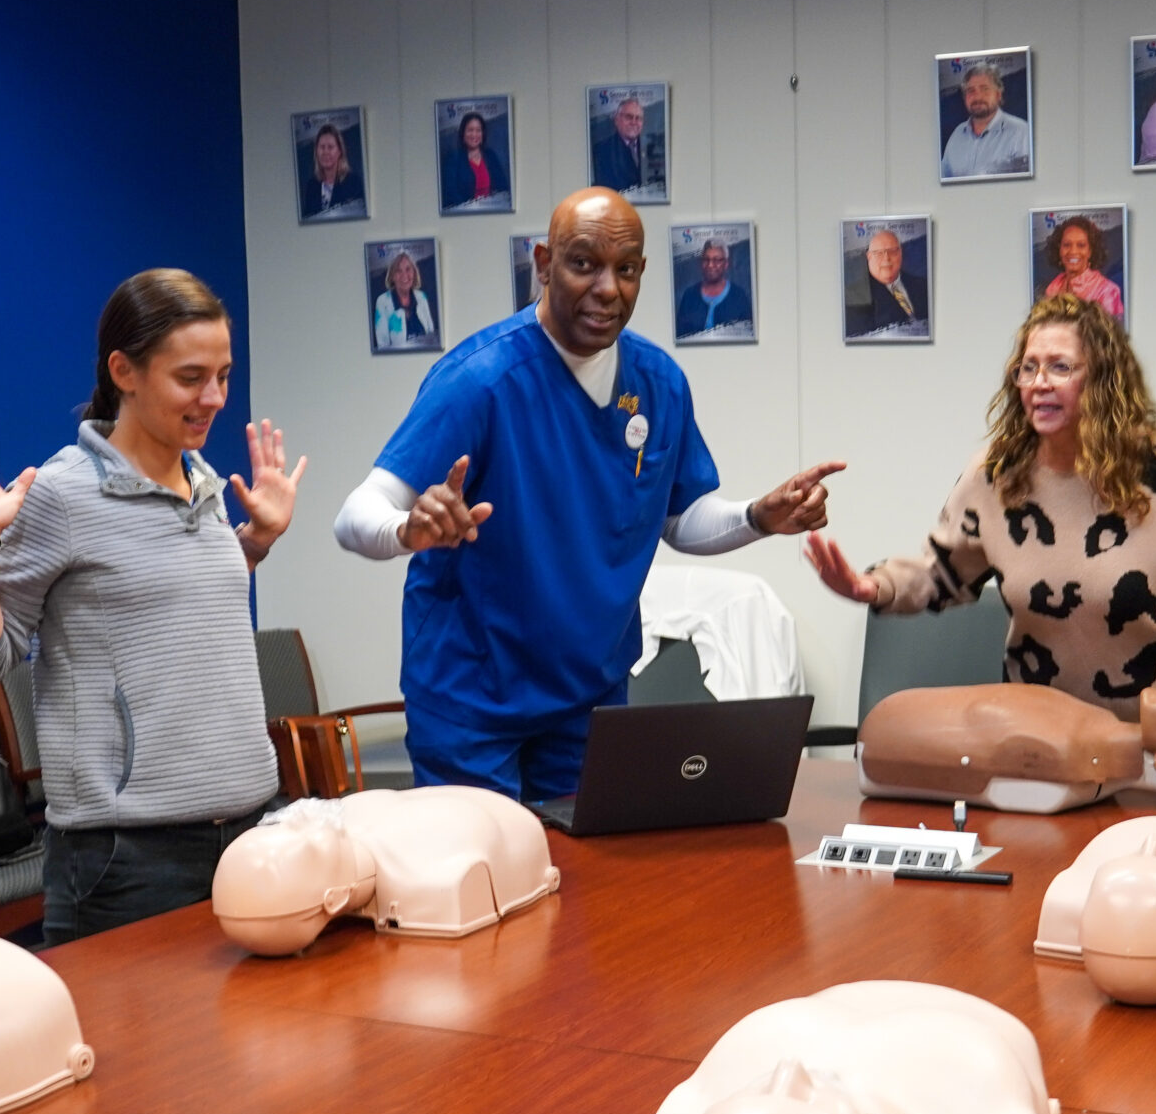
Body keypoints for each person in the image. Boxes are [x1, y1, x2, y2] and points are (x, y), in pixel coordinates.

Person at [333, 186, 842, 799]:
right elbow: (354, 514)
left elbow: (680, 518)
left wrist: (758, 515)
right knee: (484, 879)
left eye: (625, 270)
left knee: (584, 886)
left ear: (642, 274)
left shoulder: (659, 383)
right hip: (472, 698)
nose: (607, 288)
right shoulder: (481, 379)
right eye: (583, 264)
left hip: (587, 697)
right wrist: (406, 530)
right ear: (543, 265)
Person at [0, 270, 303, 946]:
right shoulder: (62, 496)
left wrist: (254, 543)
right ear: (124, 371)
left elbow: (173, 599)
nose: (214, 398)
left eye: (223, 374)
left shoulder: (207, 484)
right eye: (191, 378)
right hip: (130, 857)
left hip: (253, 831)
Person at [804, 293, 1156, 718]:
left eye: (1059, 367)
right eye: (1028, 368)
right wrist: (875, 587)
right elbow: (942, 571)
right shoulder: (998, 474)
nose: (1039, 384)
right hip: (1044, 745)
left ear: (1101, 379)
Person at [939, 61, 1032, 179]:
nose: (977, 97)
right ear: (964, 98)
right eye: (971, 91)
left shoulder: (1021, 132)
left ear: (998, 95)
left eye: (985, 89)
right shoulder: (957, 135)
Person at [1037, 215, 1124, 323]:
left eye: (1081, 245)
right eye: (1067, 245)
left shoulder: (1108, 291)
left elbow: (1110, 336)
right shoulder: (1053, 287)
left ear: (1091, 251)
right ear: (1059, 249)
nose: (1073, 251)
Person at [848, 227, 926, 338]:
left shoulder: (923, 286)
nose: (886, 259)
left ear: (900, 253)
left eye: (892, 251)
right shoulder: (854, 295)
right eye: (879, 253)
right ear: (869, 257)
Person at [674, 236, 753, 338]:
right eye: (706, 259)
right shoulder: (689, 295)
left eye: (717, 260)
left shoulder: (739, 296)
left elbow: (747, 335)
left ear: (726, 264)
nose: (710, 265)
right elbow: (680, 336)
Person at [591, 93, 662, 194]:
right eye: (629, 117)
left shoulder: (652, 147)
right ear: (616, 120)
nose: (634, 122)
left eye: (638, 118)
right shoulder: (601, 150)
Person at [441, 110, 510, 211]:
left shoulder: (490, 155)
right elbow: (450, 195)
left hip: (493, 211)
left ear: (483, 134)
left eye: (478, 130)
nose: (474, 134)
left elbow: (503, 187)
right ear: (463, 134)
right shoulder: (453, 159)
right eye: (470, 130)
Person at [373, 251, 439, 349]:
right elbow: (382, 346)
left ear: (414, 272)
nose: (404, 275)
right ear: (392, 276)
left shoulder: (421, 297)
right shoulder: (383, 302)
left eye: (408, 269)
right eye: (398, 271)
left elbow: (431, 334)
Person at [301, 121, 365, 218]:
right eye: (322, 147)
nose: (325, 152)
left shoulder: (353, 182)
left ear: (340, 151)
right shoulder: (312, 186)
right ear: (316, 152)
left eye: (330, 147)